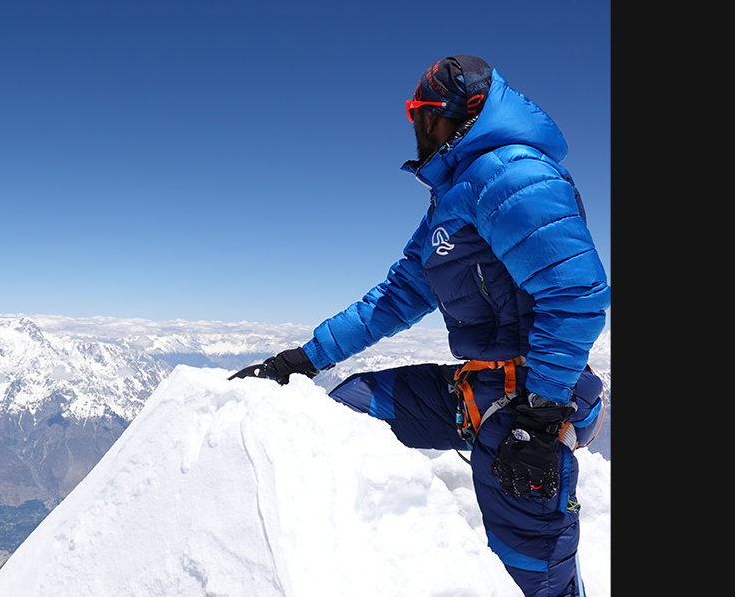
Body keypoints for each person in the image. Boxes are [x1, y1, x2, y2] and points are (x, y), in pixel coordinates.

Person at [231, 55, 609, 597]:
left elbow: (575, 293)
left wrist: (542, 418)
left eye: (417, 115)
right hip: (480, 389)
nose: (414, 130)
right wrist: (303, 359)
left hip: (532, 403)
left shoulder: (513, 173)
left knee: (531, 568)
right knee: (352, 406)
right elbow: (394, 298)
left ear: (445, 116)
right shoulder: (451, 203)